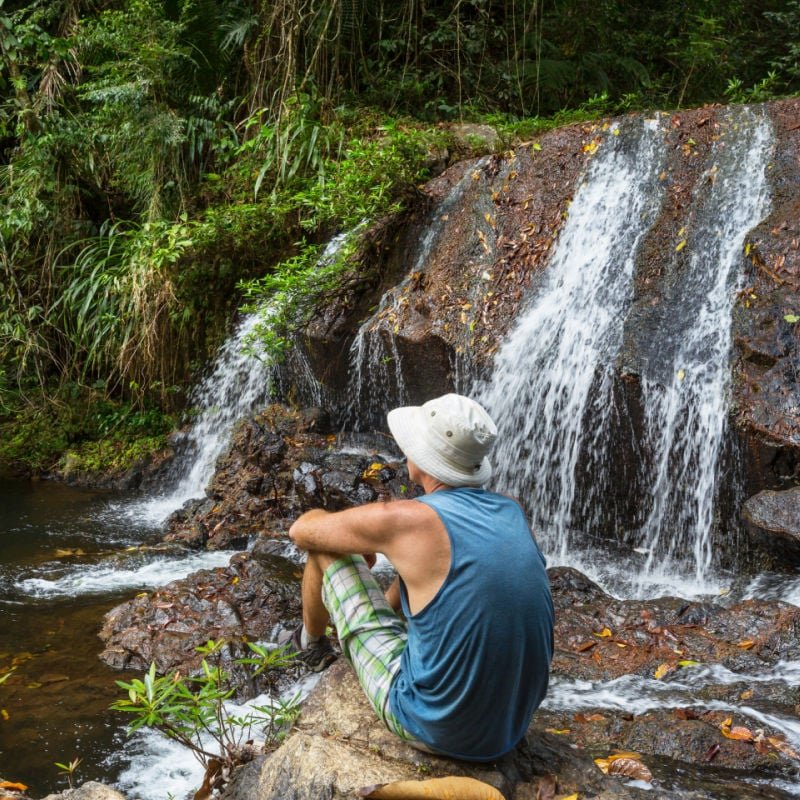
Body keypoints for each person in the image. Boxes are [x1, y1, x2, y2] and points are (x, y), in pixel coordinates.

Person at [285, 393, 554, 762]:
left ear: (424, 460)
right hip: (509, 727)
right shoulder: (513, 512)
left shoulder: (410, 520)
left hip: (435, 726)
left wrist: (356, 545)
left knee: (324, 547)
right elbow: (435, 580)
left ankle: (310, 646)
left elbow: (302, 532)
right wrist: (384, 604)